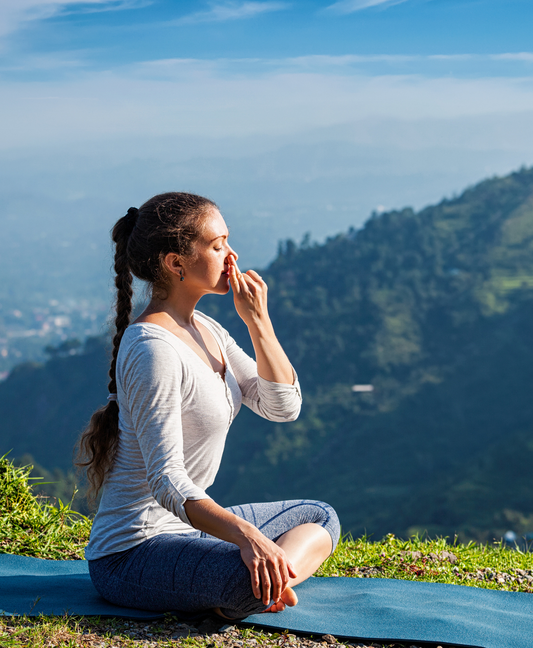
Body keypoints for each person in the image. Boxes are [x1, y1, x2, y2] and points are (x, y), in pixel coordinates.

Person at [77, 192, 339, 620]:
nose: (231, 255)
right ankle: (253, 589)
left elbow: (281, 406)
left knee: (319, 517)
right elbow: (167, 481)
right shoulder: (152, 350)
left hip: (187, 534)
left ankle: (263, 587)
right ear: (176, 264)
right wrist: (246, 537)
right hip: (131, 555)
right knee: (247, 571)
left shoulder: (207, 329)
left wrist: (258, 322)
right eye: (217, 246)